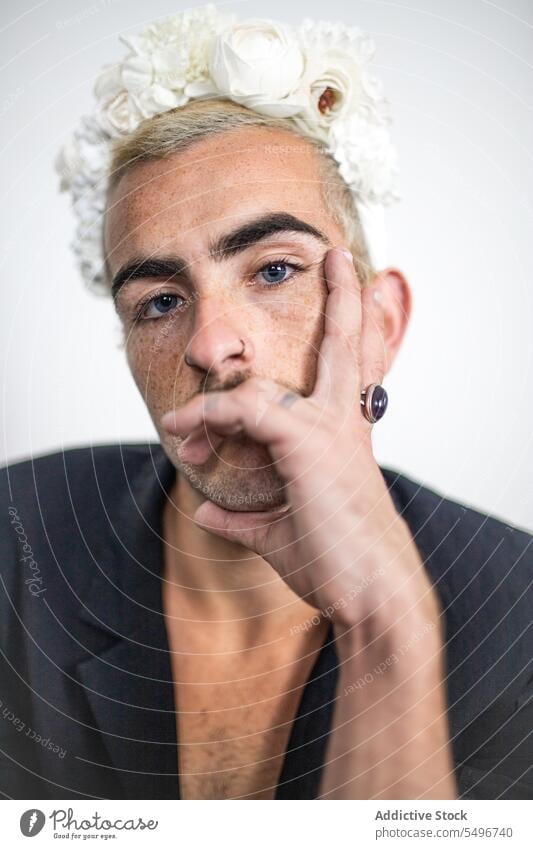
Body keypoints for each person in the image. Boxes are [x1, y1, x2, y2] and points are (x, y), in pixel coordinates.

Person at [1, 7, 531, 801]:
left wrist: (385, 621)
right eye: (158, 301)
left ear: (378, 323)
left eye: (273, 270)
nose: (211, 345)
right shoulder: (16, 542)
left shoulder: (519, 615)